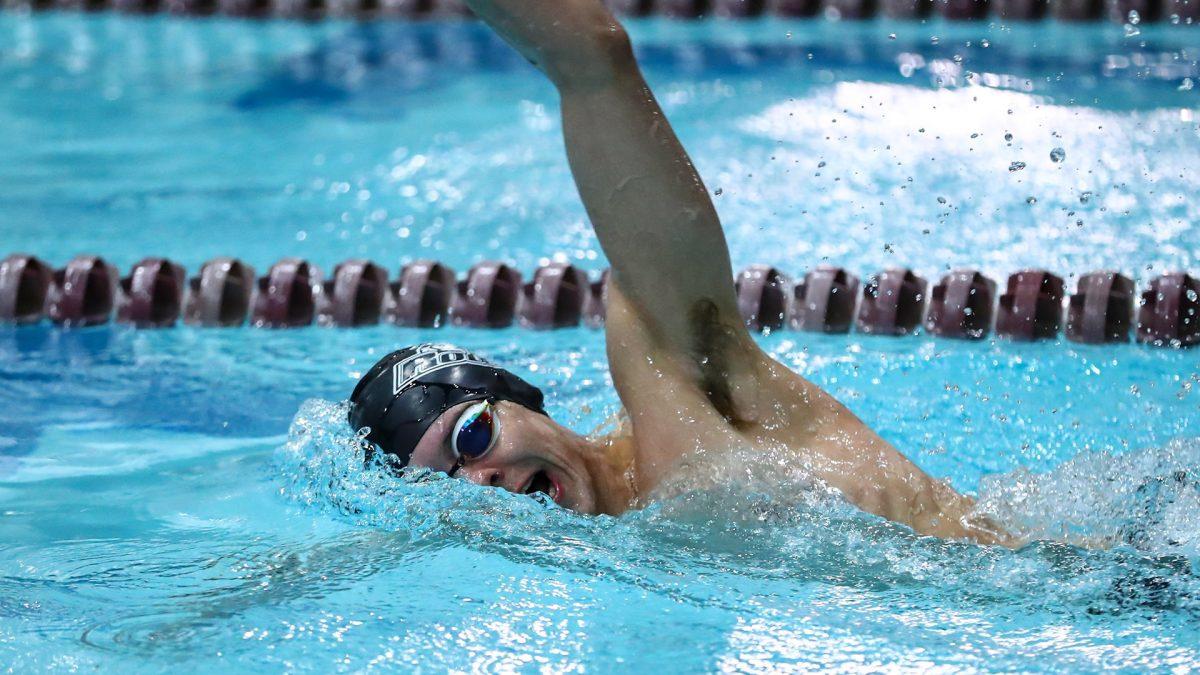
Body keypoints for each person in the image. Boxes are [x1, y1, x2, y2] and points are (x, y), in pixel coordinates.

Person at [348, 0, 1014, 546]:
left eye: (472, 434)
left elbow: (593, 54)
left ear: (518, 398)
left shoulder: (677, 379)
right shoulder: (615, 558)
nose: (480, 483)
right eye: (443, 487)